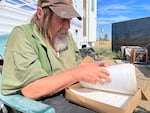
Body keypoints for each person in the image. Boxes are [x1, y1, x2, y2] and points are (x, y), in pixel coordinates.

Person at [1, 0, 112, 113]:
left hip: (71, 92)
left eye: (70, 20)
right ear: (40, 13)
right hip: (41, 104)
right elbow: (31, 90)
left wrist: (98, 67)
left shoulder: (66, 36)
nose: (68, 26)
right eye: (63, 19)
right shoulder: (23, 35)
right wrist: (78, 73)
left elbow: (77, 64)